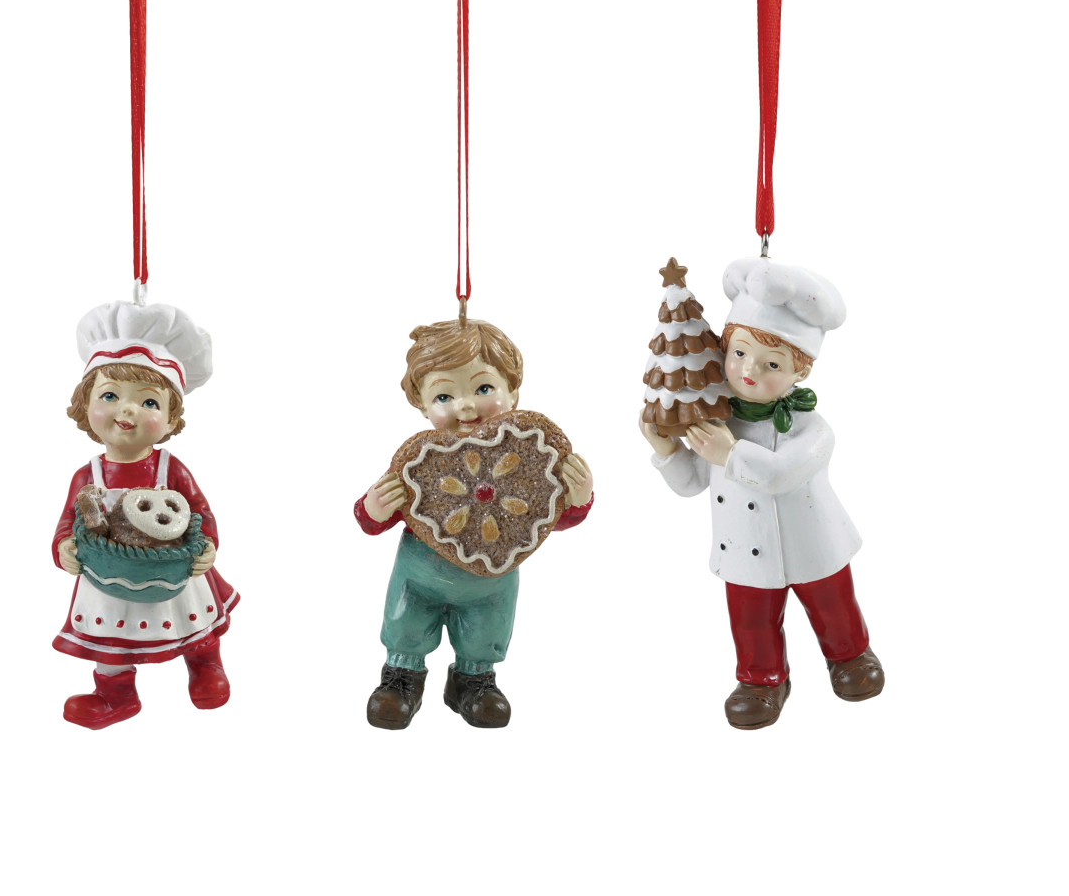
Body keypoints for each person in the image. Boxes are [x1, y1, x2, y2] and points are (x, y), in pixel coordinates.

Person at [642, 256, 884, 729]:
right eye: (738, 353)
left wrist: (730, 454)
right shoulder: (718, 422)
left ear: (800, 371)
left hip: (813, 543)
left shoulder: (812, 430)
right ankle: (762, 679)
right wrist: (667, 450)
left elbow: (778, 474)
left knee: (833, 605)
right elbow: (692, 484)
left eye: (771, 363)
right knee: (750, 621)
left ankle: (850, 656)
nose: (748, 370)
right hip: (743, 547)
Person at [355, 317, 593, 729]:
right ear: (422, 405)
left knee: (486, 631)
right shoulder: (421, 467)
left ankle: (474, 682)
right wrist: (374, 507)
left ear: (512, 392)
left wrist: (578, 496)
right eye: (444, 395)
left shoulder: (532, 460)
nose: (465, 406)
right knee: (407, 621)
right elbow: (372, 522)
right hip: (419, 578)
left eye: (483, 389)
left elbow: (549, 516)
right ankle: (401, 679)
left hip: (492, 584)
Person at [52, 300, 237, 728]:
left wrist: (207, 545)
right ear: (84, 406)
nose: (128, 410)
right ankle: (116, 695)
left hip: (176, 570)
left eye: (149, 402)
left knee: (195, 622)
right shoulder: (88, 476)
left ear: (171, 420)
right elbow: (68, 521)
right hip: (109, 578)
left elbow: (200, 511)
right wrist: (64, 547)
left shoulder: (171, 469)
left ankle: (205, 665)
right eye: (110, 395)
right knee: (111, 642)